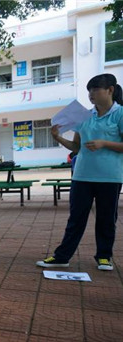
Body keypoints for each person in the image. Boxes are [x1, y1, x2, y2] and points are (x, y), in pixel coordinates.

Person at [37, 73, 123, 271]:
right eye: (89, 91)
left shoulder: (120, 114)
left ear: (109, 90)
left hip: (109, 176)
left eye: (95, 89)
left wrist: (104, 143)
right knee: (76, 218)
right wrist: (58, 138)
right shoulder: (85, 116)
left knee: (106, 218)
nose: (91, 94)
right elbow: (76, 147)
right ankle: (62, 257)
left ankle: (104, 256)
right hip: (82, 175)